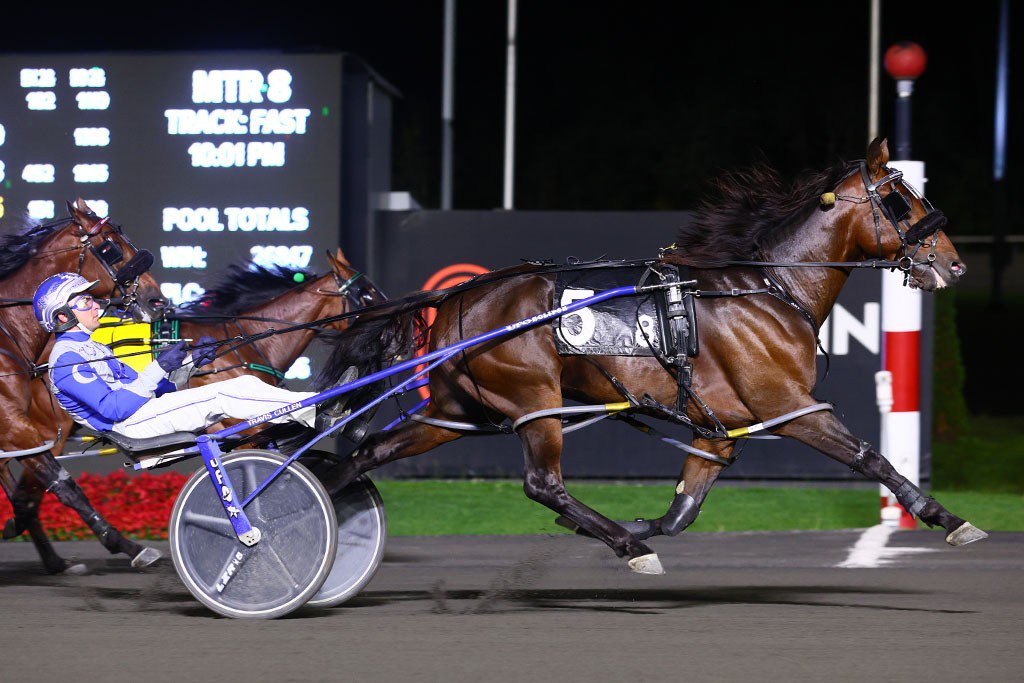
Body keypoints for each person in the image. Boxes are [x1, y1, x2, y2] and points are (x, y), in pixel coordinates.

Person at [35, 272, 339, 441]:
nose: (96, 306)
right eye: (85, 301)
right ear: (62, 317)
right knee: (222, 394)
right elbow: (115, 408)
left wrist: (190, 365)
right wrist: (158, 366)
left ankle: (318, 406)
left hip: (143, 412)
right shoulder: (66, 360)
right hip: (129, 425)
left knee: (241, 384)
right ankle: (319, 409)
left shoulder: (93, 348)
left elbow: (155, 390)